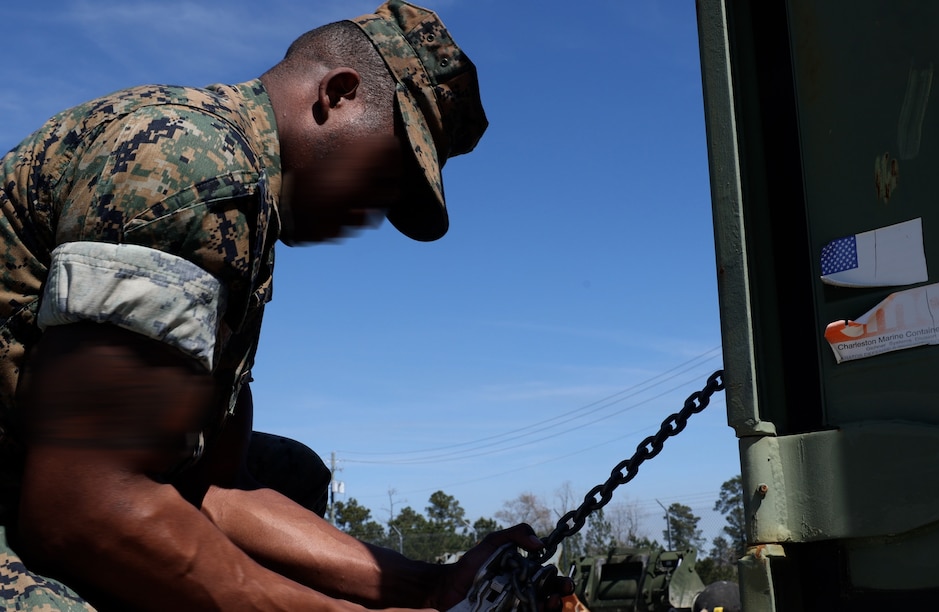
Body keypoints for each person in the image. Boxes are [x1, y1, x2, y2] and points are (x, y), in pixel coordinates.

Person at [0, 1, 570, 610]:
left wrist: (428, 586)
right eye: (386, 174)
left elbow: (216, 486)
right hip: (43, 490)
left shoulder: (248, 224)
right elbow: (84, 508)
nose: (373, 213)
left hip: (46, 474)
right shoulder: (193, 166)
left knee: (290, 471)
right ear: (338, 94)